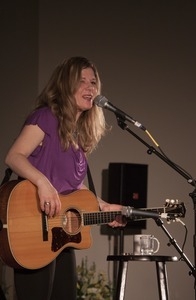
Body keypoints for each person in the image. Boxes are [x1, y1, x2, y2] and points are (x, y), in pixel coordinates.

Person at [5, 56, 125, 300]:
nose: (90, 88)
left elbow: (72, 187)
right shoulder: (46, 118)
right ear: (65, 85)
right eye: (82, 81)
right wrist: (42, 183)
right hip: (34, 227)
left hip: (61, 235)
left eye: (93, 82)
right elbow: (14, 156)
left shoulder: (78, 136)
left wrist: (102, 206)